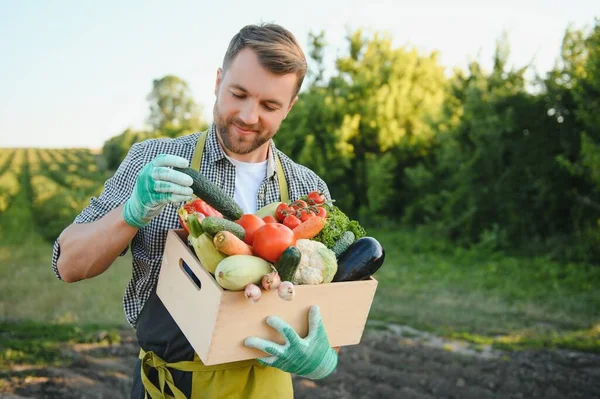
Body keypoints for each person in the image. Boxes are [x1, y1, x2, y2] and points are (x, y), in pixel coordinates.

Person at [52, 23, 339, 398]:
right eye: (238, 94)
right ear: (218, 81)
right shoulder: (156, 162)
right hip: (172, 387)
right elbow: (68, 265)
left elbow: (328, 314)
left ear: (291, 106)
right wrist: (132, 212)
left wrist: (324, 358)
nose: (250, 116)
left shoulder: (308, 194)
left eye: (269, 105)